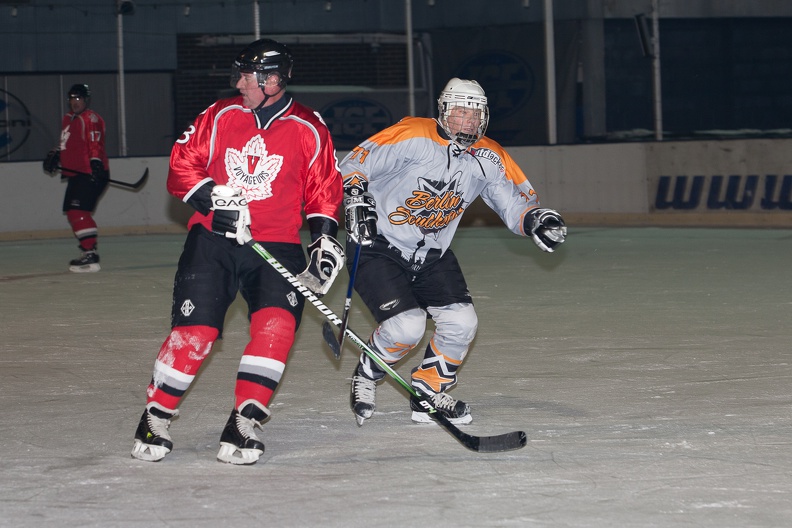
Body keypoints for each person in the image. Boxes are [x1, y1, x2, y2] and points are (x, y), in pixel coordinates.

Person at [130, 38, 344, 465]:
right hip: (213, 242)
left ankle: (245, 418)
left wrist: (323, 240)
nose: (240, 81)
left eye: (249, 74)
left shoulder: (309, 128)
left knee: (277, 328)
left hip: (278, 243)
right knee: (197, 332)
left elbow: (323, 190)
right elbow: (181, 166)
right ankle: (156, 415)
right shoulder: (219, 114)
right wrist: (215, 201)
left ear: (274, 79)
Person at [341, 78, 567, 427]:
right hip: (378, 244)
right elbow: (356, 162)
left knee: (462, 323)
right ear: (444, 112)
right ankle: (368, 372)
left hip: (432, 253)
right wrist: (356, 195)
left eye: (475, 114)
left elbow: (515, 203)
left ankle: (428, 393)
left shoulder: (490, 155)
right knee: (406, 328)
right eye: (461, 112)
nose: (468, 121)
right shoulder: (412, 134)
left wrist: (535, 218)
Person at [42, 83, 110, 273]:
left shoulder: (91, 119)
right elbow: (65, 142)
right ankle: (89, 253)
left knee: (78, 212)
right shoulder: (68, 119)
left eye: (78, 98)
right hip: (76, 174)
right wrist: (55, 154)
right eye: (72, 98)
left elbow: (95, 142)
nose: (75, 102)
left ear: (86, 100)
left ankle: (90, 254)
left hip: (90, 173)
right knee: (73, 212)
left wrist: (96, 162)